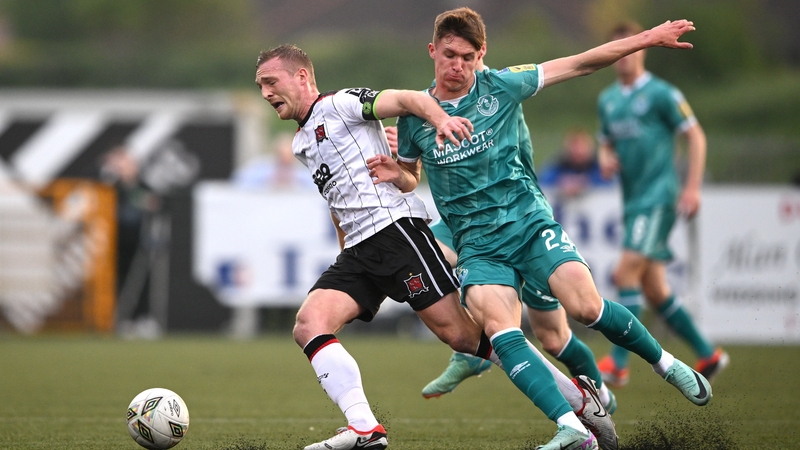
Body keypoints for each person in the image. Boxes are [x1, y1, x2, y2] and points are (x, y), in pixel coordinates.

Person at [368, 8, 711, 450]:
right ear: (432, 51)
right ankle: (570, 424)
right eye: (450, 55)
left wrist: (646, 38)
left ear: (482, 55)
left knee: (584, 308)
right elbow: (412, 175)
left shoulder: (503, 86)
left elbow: (581, 61)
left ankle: (665, 363)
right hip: (476, 243)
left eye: (468, 57)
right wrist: (400, 176)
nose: (458, 66)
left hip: (527, 222)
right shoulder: (415, 116)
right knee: (499, 326)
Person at [254, 44, 609, 450]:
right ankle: (365, 430)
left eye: (271, 81)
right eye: (261, 85)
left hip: (397, 233)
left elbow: (407, 99)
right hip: (359, 251)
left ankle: (579, 402)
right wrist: (343, 248)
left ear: (301, 77)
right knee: (308, 324)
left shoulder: (342, 103)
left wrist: (440, 117)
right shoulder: (301, 142)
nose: (265, 92)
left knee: (464, 336)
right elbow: (337, 202)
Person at [595, 21, 728, 388]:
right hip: (633, 200)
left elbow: (695, 136)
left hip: (660, 196)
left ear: (643, 49)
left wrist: (693, 187)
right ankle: (708, 353)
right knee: (653, 288)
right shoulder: (607, 100)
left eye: (632, 47)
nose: (625, 56)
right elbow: (604, 141)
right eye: (618, 49)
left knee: (625, 273)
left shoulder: (661, 94)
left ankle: (619, 364)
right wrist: (605, 157)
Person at [539, 128, 614, 200]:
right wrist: (560, 182)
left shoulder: (599, 166)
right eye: (575, 148)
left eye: (581, 148)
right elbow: (542, 181)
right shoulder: (558, 165)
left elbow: (611, 182)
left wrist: (585, 183)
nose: (578, 151)